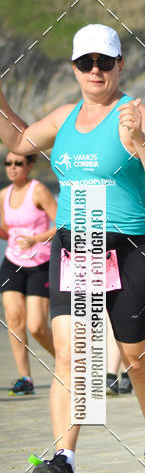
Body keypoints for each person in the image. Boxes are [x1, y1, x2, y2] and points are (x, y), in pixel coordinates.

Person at [0, 23, 145, 473]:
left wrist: (139, 140)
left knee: (137, 360)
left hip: (131, 247)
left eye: (104, 62)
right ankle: (64, 463)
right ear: (75, 68)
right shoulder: (63, 118)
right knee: (72, 355)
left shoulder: (135, 111)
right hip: (76, 246)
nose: (95, 70)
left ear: (120, 65)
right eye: (85, 63)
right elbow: (17, 142)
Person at [0, 152, 57, 394]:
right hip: (13, 262)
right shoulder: (3, 195)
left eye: (18, 163)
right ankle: (26, 379)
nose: (12, 168)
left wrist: (35, 239)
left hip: (40, 264)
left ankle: (71, 364)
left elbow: (62, 224)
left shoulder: (39, 191)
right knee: (13, 320)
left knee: (37, 326)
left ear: (30, 165)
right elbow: (4, 230)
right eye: (8, 163)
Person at [106, 178, 145, 395]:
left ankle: (126, 373)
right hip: (102, 252)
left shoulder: (141, 180)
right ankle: (111, 375)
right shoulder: (94, 178)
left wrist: (142, 223)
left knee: (128, 317)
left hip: (135, 253)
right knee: (109, 317)